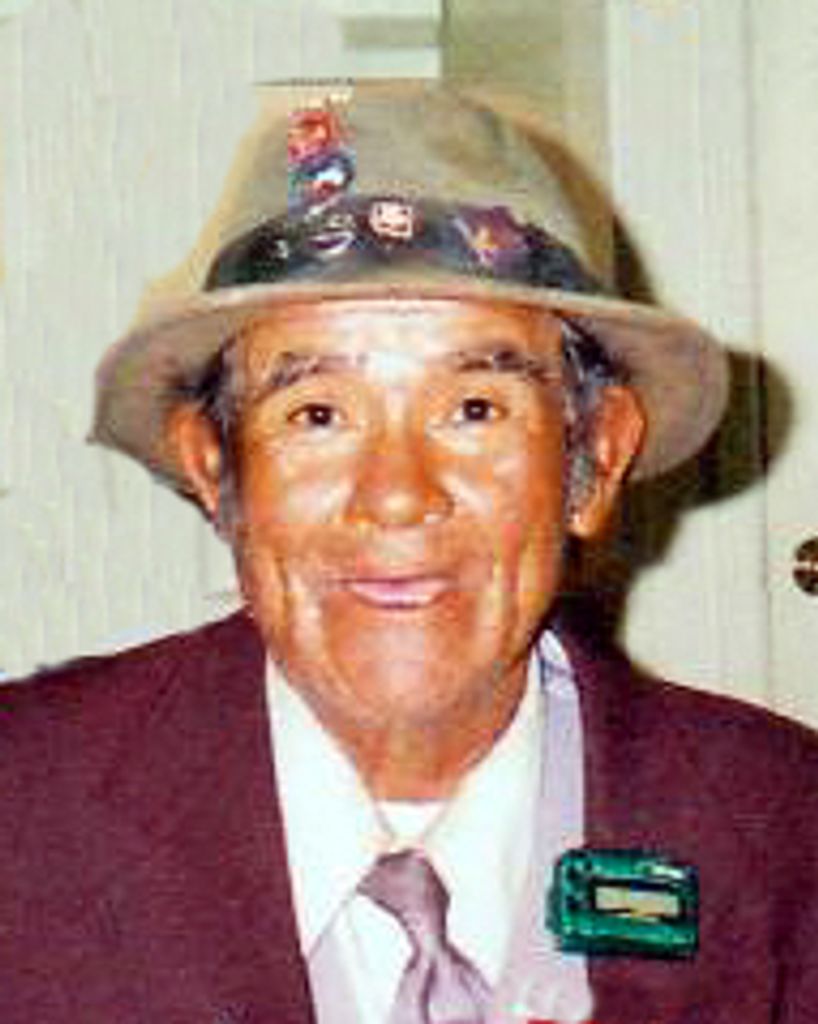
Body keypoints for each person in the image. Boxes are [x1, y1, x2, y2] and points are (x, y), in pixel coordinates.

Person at [1, 81, 816, 1024]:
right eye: (318, 414)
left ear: (595, 459)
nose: (396, 494)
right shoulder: (25, 817)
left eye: (474, 409)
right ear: (216, 469)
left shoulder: (784, 835)